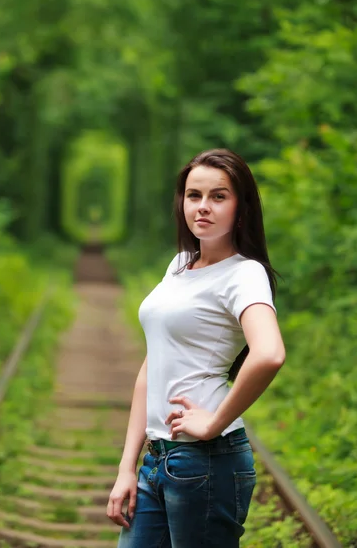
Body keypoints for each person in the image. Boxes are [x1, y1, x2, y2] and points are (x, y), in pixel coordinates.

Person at [107, 148, 286, 547]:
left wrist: (213, 422)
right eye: (194, 195)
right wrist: (127, 467)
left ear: (241, 208)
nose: (203, 207)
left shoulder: (245, 274)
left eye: (218, 196)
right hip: (157, 461)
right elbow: (152, 367)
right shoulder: (180, 265)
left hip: (206, 462)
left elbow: (270, 352)